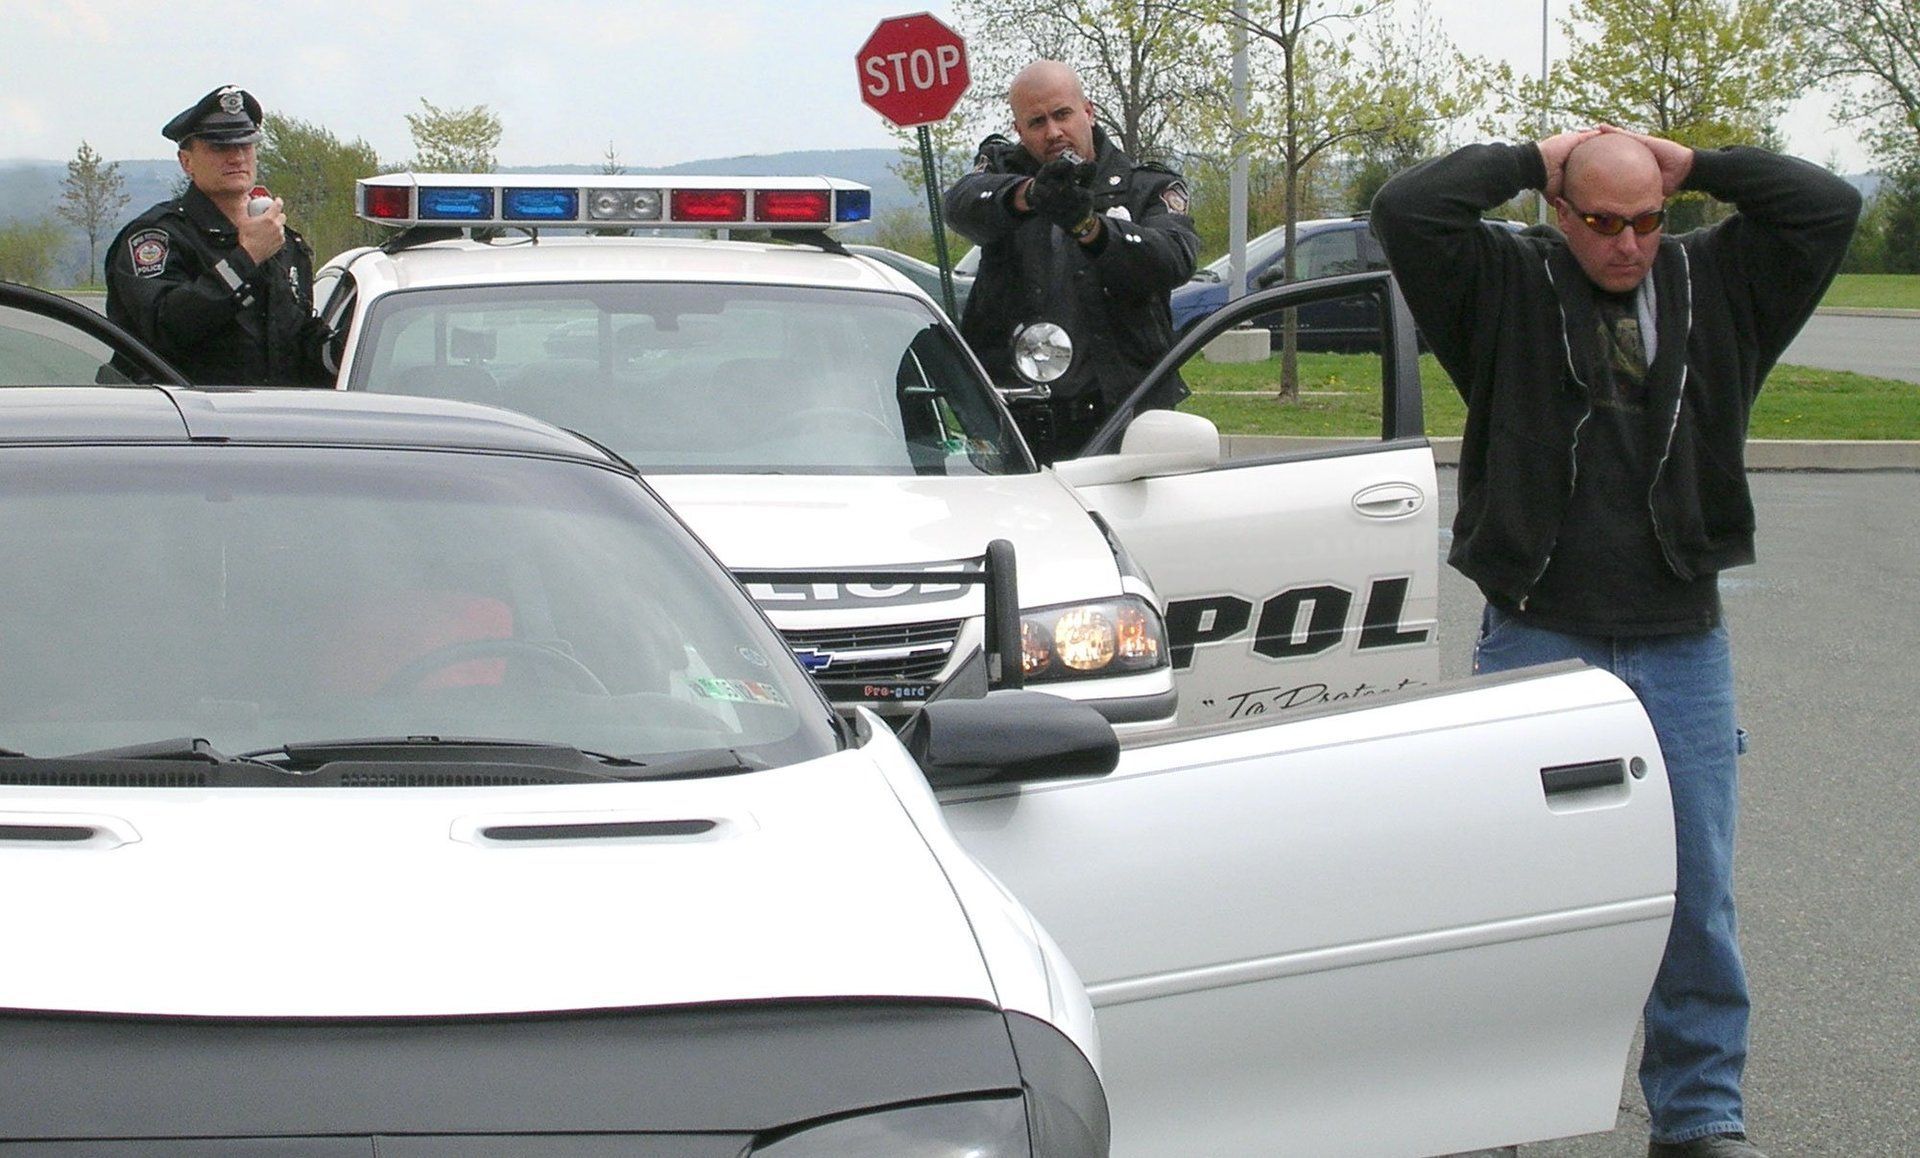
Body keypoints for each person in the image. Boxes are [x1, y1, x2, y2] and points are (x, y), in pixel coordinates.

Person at [1371, 127, 1859, 1157]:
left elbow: (1824, 208)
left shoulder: (1721, 282)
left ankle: (1699, 1116)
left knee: (1697, 896)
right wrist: (1527, 154)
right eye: (1604, 222)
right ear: (1560, 211)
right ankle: (1499, 1106)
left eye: (1647, 221)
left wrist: (1699, 166)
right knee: (1520, 894)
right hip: (1538, 629)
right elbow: (1407, 210)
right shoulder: (1499, 285)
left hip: (1680, 636)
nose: (1629, 244)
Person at [943, 60, 1198, 462]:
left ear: (1088, 112)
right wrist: (1028, 194)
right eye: (1036, 122)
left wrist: (1091, 229)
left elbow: (1174, 258)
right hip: (1018, 423)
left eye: (1062, 114)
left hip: (1124, 421)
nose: (1053, 132)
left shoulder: (1147, 187)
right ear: (1019, 131)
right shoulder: (1003, 176)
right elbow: (960, 205)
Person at [103, 85, 332, 386]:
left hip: (270, 421)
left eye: (245, 146)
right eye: (219, 147)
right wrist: (245, 259)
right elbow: (165, 326)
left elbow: (294, 343)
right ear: (187, 162)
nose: (237, 157)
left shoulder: (281, 240)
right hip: (180, 422)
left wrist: (337, 349)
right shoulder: (158, 236)